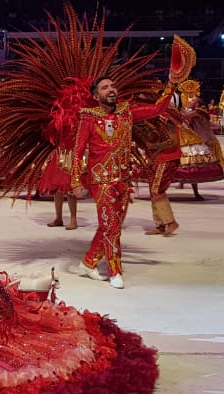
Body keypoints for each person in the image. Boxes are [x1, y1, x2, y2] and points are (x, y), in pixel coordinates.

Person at [73, 77, 176, 288]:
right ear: (95, 96)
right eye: (105, 87)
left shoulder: (126, 113)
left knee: (110, 226)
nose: (111, 89)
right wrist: (75, 180)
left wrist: (172, 84)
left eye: (112, 86)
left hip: (123, 179)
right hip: (101, 181)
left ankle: (88, 262)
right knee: (111, 227)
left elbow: (157, 109)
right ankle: (115, 271)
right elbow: (78, 151)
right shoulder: (88, 118)